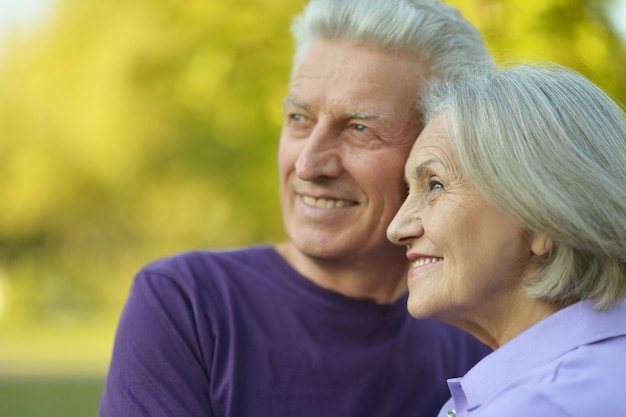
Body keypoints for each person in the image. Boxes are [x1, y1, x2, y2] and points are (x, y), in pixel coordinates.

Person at [100, 0, 494, 416]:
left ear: (438, 157)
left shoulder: (483, 341)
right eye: (299, 119)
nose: (308, 164)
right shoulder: (187, 305)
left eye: (360, 128)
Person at [387, 63, 626, 417]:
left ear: (543, 216)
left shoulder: (543, 406)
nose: (397, 227)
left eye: (435, 185)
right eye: (409, 191)